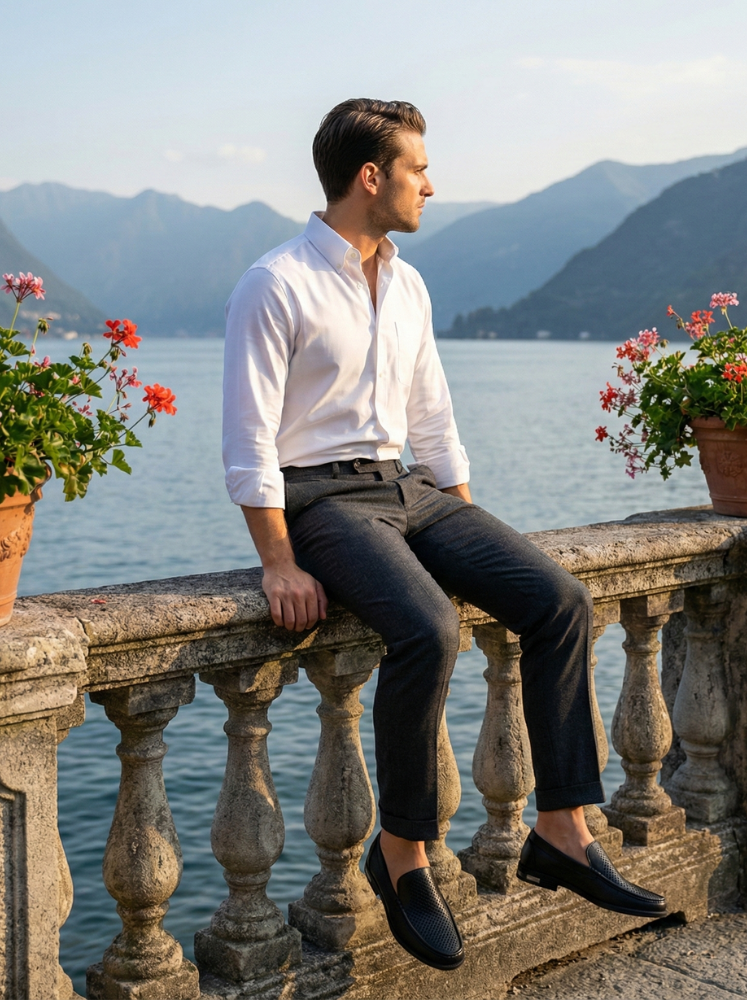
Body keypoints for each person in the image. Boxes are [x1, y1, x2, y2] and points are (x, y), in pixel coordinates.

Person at [222, 98, 665, 971]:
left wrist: (466, 525)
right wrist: (277, 561)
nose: (431, 184)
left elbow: (432, 416)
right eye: (418, 168)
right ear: (371, 177)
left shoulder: (409, 284)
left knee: (559, 600)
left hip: (412, 490)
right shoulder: (275, 283)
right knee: (427, 627)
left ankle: (561, 829)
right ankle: (402, 856)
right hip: (323, 501)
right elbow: (249, 439)